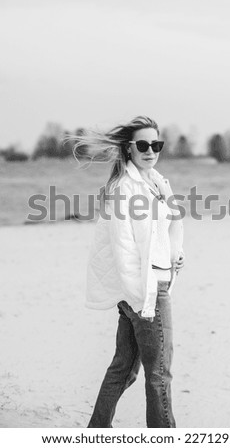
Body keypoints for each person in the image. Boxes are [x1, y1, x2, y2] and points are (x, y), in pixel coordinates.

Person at [74, 116, 184, 428]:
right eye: (143, 145)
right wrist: (143, 303)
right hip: (144, 292)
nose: (151, 150)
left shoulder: (157, 181)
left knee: (124, 368)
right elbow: (123, 250)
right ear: (129, 149)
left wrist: (176, 255)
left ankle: (96, 430)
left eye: (156, 144)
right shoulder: (125, 188)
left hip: (145, 288)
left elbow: (173, 224)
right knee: (159, 373)